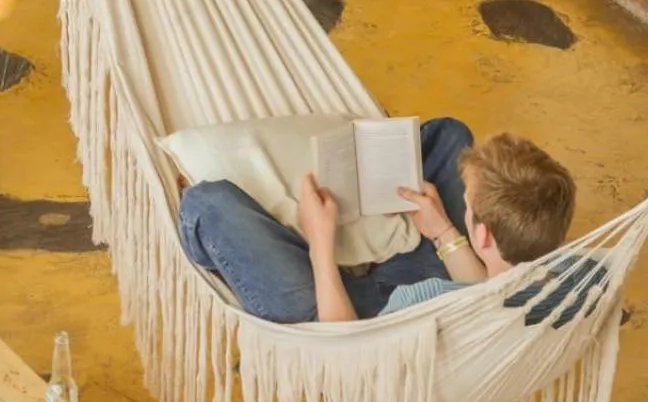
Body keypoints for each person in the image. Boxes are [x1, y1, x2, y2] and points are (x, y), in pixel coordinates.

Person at [178, 119, 576, 323]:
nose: (463, 205)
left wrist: (321, 244)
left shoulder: (419, 299)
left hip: (341, 316)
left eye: (467, 205)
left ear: (484, 234)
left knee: (207, 204)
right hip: (435, 284)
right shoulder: (560, 288)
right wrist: (443, 231)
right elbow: (483, 288)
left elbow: (345, 347)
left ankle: (257, 261)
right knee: (451, 134)